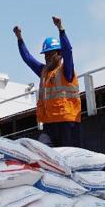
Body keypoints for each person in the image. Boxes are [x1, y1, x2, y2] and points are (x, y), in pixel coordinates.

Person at [13, 16, 81, 147]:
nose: (47, 57)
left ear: (58, 54)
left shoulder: (66, 70)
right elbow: (28, 58)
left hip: (67, 122)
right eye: (45, 55)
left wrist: (61, 29)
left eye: (50, 54)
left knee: (68, 157)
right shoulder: (44, 72)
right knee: (43, 150)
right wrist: (19, 38)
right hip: (49, 125)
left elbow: (68, 52)